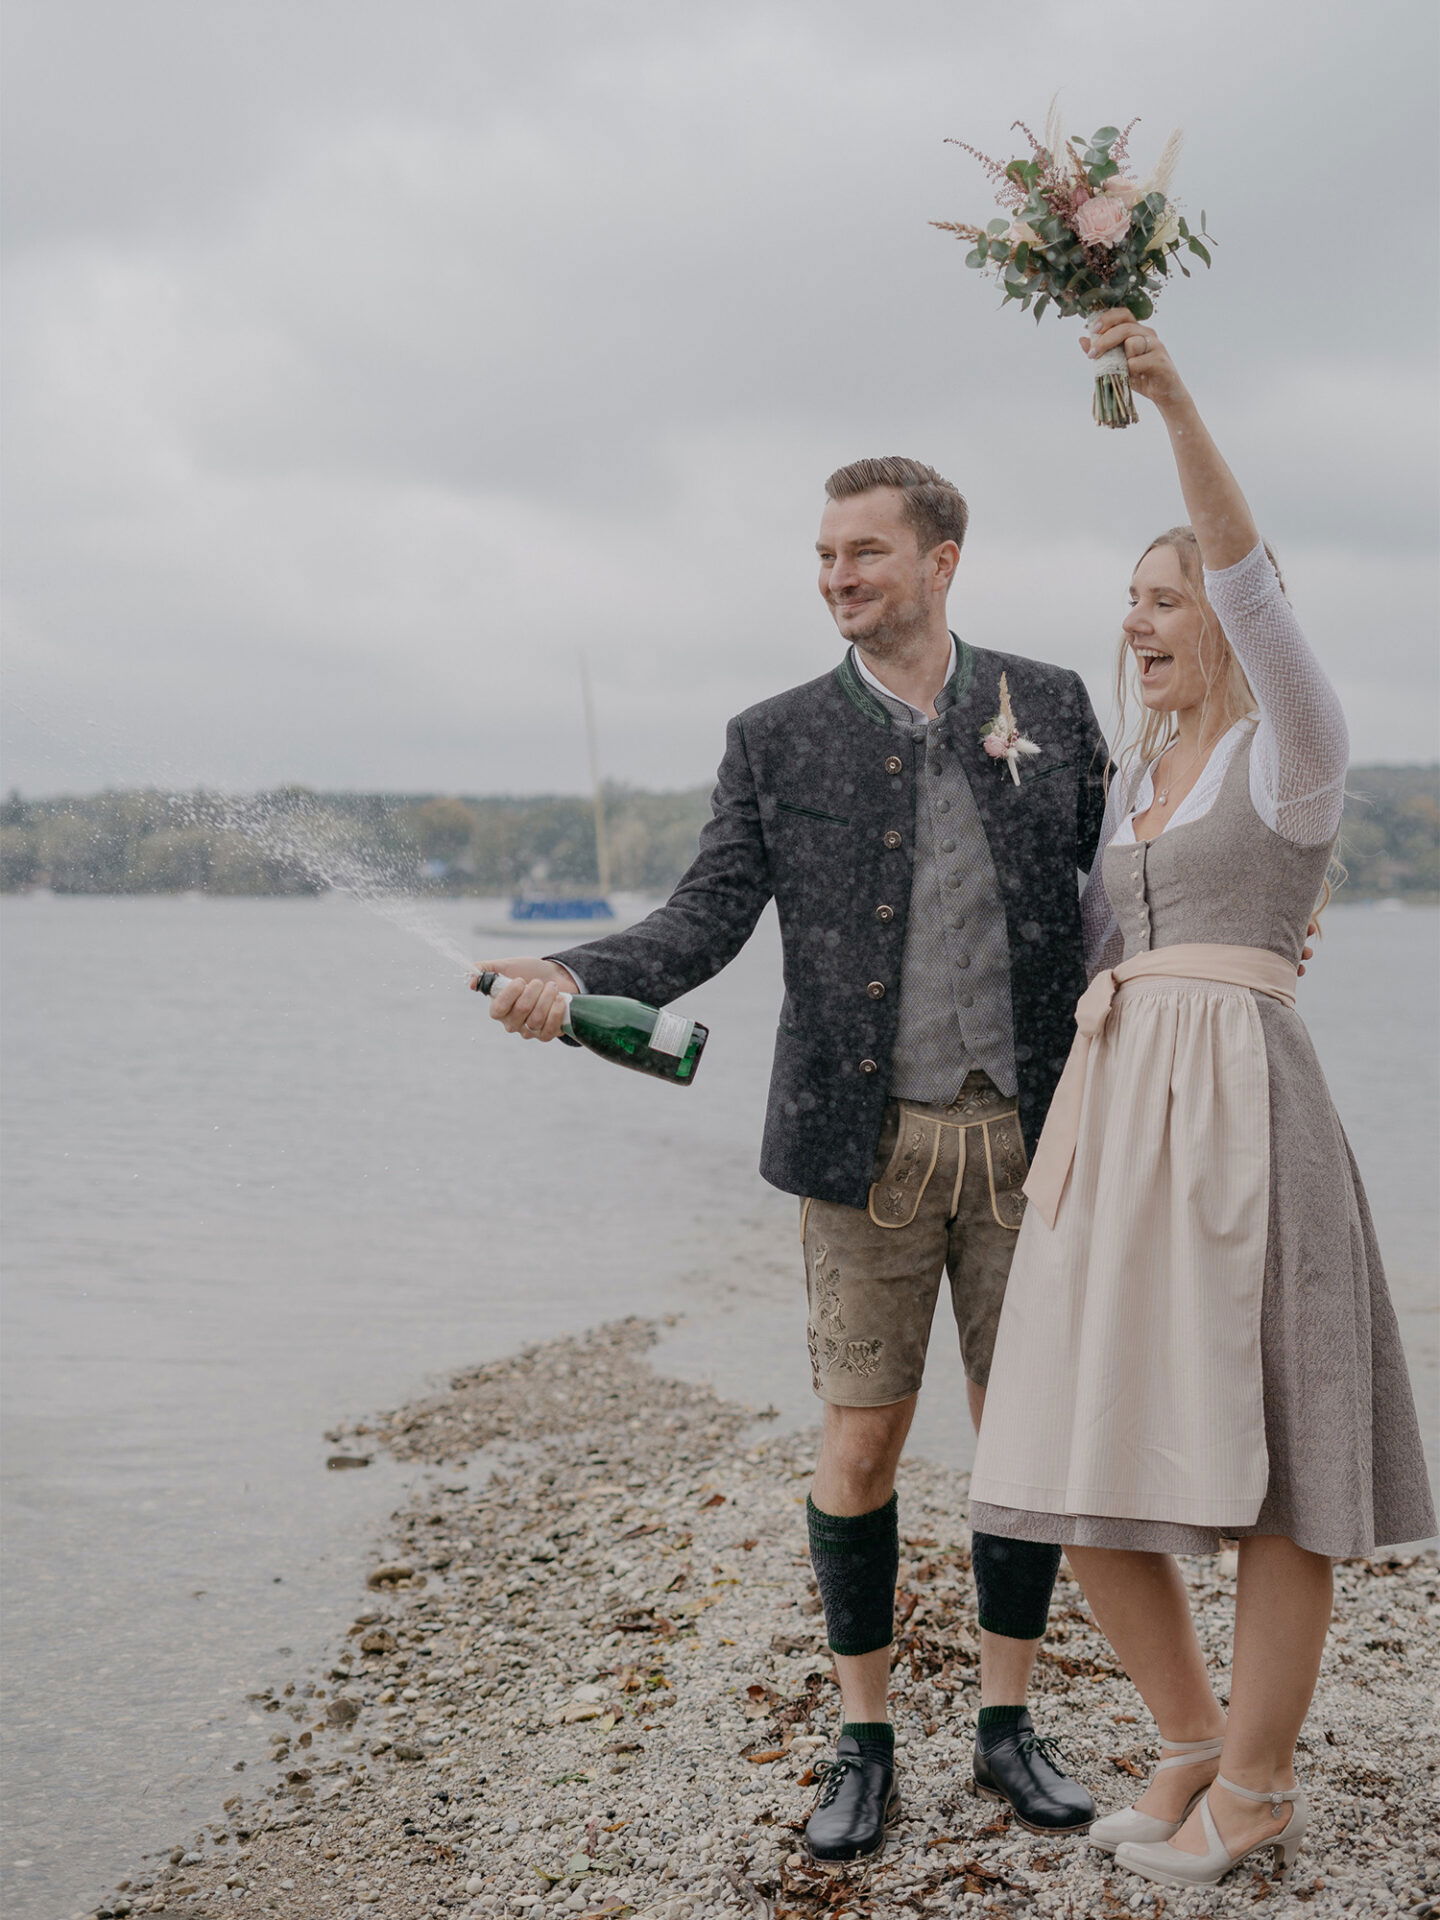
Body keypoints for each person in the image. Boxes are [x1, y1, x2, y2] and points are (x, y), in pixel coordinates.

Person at [475, 454, 1110, 1860]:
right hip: (858, 1147)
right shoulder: (774, 738)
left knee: (1022, 1439)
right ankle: (863, 1739)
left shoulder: (1053, 704)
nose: (837, 577)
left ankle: (1007, 1725)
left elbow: (1115, 890)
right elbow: (704, 915)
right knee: (862, 1441)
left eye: (864, 553)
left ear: (942, 560)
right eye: (825, 556)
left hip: (1036, 1139)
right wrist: (572, 976)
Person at [968, 311, 1436, 1892]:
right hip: (1119, 1117)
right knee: (1067, 1440)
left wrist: (1169, 398)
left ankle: (1258, 1781)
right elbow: (1100, 948)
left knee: (1280, 1459)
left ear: (1236, 620)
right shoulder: (1135, 778)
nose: (1141, 618)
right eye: (1134, 599)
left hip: (1248, 1114)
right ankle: (1184, 1735)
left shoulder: (1294, 748)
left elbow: (1247, 576)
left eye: (1165, 597)